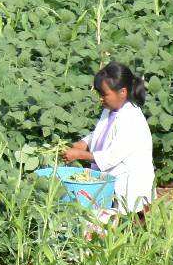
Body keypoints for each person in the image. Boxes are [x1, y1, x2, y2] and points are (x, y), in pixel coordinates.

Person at [58, 61, 155, 218]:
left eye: (104, 94)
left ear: (122, 92)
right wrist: (83, 143)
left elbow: (111, 157)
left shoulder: (132, 119)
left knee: (131, 225)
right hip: (112, 182)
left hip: (130, 185)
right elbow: (100, 134)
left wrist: (79, 155)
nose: (101, 99)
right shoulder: (110, 111)